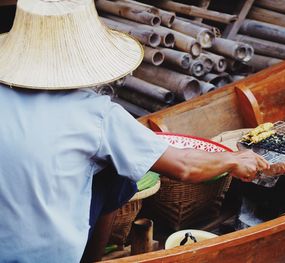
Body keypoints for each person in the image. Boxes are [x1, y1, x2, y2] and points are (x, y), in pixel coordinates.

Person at [0, 0, 269, 262]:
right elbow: (185, 166)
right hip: (51, 256)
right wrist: (233, 159)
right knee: (116, 174)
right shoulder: (95, 114)